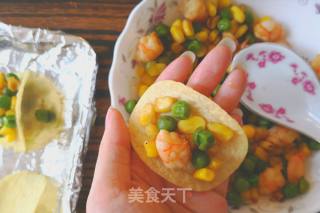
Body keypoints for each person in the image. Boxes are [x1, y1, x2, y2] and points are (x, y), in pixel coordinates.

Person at [87, 41, 247, 213]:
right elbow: (148, 144)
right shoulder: (150, 140)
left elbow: (150, 143)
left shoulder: (158, 140)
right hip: (156, 146)